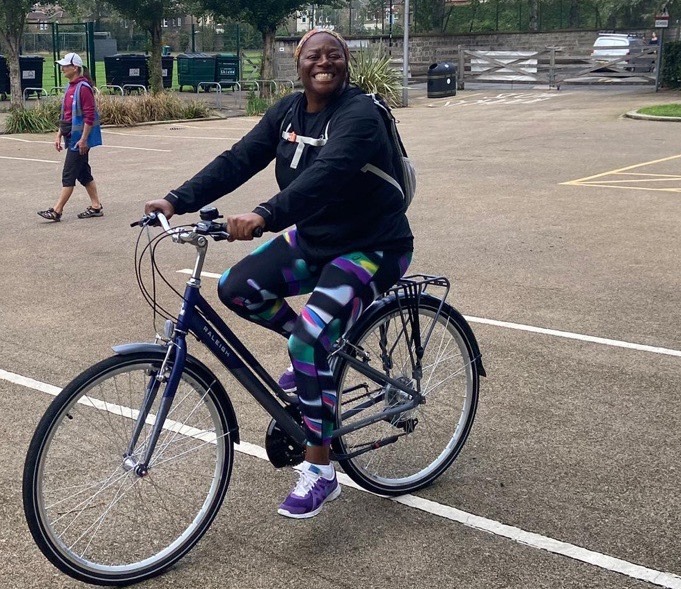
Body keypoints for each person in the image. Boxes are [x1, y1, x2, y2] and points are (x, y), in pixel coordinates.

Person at [143, 28, 414, 519]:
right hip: (315, 240)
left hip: (373, 246)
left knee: (307, 341)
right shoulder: (288, 112)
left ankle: (321, 468)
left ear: (347, 62)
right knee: (236, 289)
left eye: (334, 55)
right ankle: (318, 351)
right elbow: (239, 159)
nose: (324, 63)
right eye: (314, 56)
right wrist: (176, 199)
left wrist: (265, 214)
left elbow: (325, 175)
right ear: (299, 63)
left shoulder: (360, 114)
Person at [38, 52, 103, 222]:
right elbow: (66, 115)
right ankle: (96, 206)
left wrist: (83, 140)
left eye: (65, 66)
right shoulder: (71, 87)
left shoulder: (84, 88)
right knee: (83, 174)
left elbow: (89, 116)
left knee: (68, 175)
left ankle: (57, 210)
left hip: (79, 141)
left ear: (75, 68)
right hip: (72, 138)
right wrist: (59, 134)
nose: (62, 68)